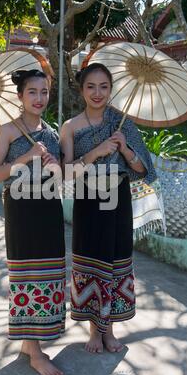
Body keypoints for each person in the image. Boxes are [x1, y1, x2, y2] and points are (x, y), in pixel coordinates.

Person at [60, 63, 157, 354]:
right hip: (88, 198)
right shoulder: (70, 127)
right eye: (91, 86)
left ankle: (110, 329)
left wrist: (124, 148)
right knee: (91, 260)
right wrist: (95, 152)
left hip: (118, 199)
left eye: (104, 86)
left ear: (111, 89)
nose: (97, 93)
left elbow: (144, 170)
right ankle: (93, 330)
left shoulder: (122, 123)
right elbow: (65, 173)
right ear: (82, 90)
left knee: (115, 261)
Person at [0, 69, 66, 375]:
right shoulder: (7, 131)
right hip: (21, 211)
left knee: (49, 274)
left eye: (44, 92)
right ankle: (34, 352)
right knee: (27, 275)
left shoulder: (51, 133)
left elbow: (60, 180)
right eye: (32, 92)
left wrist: (54, 164)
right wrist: (26, 157)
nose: (39, 98)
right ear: (20, 96)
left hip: (49, 208)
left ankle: (28, 342)